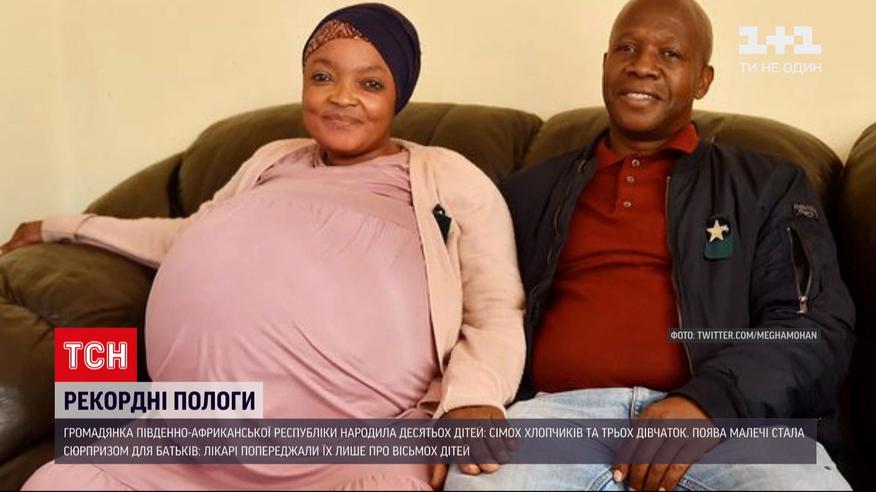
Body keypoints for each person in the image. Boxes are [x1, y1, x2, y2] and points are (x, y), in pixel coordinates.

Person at [3, 3, 525, 490]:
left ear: (399, 95)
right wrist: (67, 226)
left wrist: (473, 397)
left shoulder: (447, 176)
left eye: (370, 83)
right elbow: (186, 237)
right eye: (323, 76)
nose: (342, 97)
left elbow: (495, 307)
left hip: (352, 447)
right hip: (188, 437)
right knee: (57, 481)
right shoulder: (272, 158)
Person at [445, 0, 855, 490]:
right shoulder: (527, 193)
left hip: (730, 421)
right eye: (627, 48)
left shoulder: (766, 185)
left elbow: (813, 326)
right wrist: (466, 398)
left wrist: (708, 402)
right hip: (556, 418)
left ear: (703, 80)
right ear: (605, 64)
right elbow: (470, 309)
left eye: (670, 54)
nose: (642, 65)